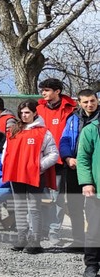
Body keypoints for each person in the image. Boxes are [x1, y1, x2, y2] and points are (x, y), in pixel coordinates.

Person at [3, 100, 59, 254]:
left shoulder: (43, 132)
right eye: (21, 113)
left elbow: (53, 154)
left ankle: (35, 241)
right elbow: (5, 150)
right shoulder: (14, 130)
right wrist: (6, 165)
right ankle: (22, 238)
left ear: (35, 113)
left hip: (35, 176)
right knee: (19, 206)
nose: (24, 115)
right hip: (16, 174)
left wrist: (38, 166)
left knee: (34, 208)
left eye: (27, 112)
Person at [35, 78, 77, 245]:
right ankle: (38, 229)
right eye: (42, 90)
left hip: (60, 162)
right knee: (37, 196)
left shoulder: (71, 110)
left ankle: (53, 231)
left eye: (46, 90)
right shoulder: (37, 109)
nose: (43, 93)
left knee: (57, 198)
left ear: (57, 91)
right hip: (38, 161)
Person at [56, 88, 99, 250]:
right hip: (73, 167)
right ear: (79, 103)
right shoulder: (72, 118)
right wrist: (67, 158)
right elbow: (64, 140)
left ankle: (93, 242)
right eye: (86, 102)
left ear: (97, 101)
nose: (90, 105)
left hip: (94, 169)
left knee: (93, 207)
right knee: (75, 205)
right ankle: (79, 241)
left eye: (93, 101)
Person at [75, 107, 100, 277]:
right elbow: (83, 158)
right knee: (95, 228)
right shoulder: (91, 129)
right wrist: (87, 182)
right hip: (96, 190)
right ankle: (91, 265)